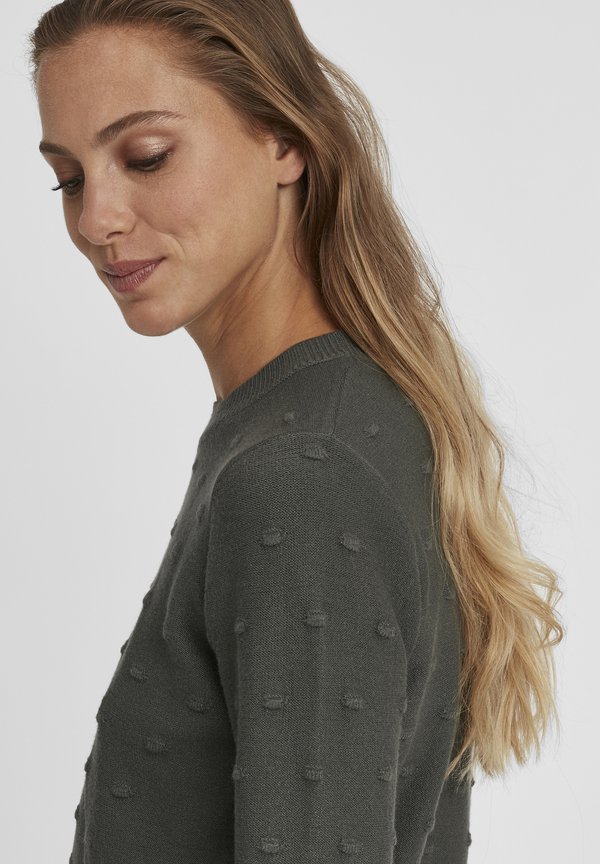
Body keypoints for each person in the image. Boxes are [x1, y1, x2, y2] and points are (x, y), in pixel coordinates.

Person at [28, 2, 565, 863]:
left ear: (284, 139)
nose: (96, 218)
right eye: (68, 178)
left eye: (146, 156)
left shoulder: (299, 471)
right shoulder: (325, 417)